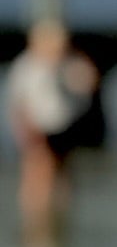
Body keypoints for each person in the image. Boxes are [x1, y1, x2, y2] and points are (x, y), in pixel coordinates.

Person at [6, 18, 98, 230]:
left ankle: (61, 216)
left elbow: (89, 83)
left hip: (65, 124)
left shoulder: (70, 62)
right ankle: (35, 218)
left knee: (63, 169)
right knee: (38, 169)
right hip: (38, 125)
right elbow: (18, 102)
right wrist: (23, 129)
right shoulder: (27, 65)